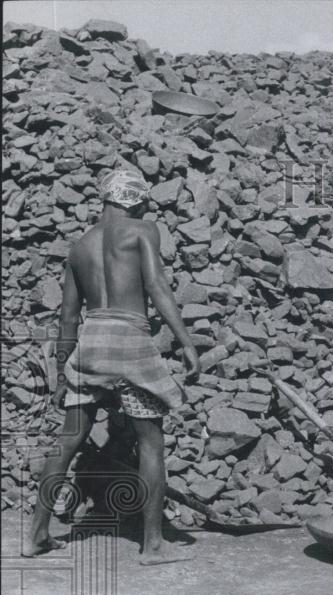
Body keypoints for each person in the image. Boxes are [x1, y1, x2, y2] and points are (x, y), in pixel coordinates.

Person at [25, 169, 201, 565]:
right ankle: (153, 544)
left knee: (67, 443)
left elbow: (68, 318)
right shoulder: (142, 229)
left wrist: (60, 374)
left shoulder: (79, 246)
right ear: (135, 201)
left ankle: (36, 534)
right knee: (151, 443)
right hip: (130, 340)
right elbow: (157, 286)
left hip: (91, 343)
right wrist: (186, 341)